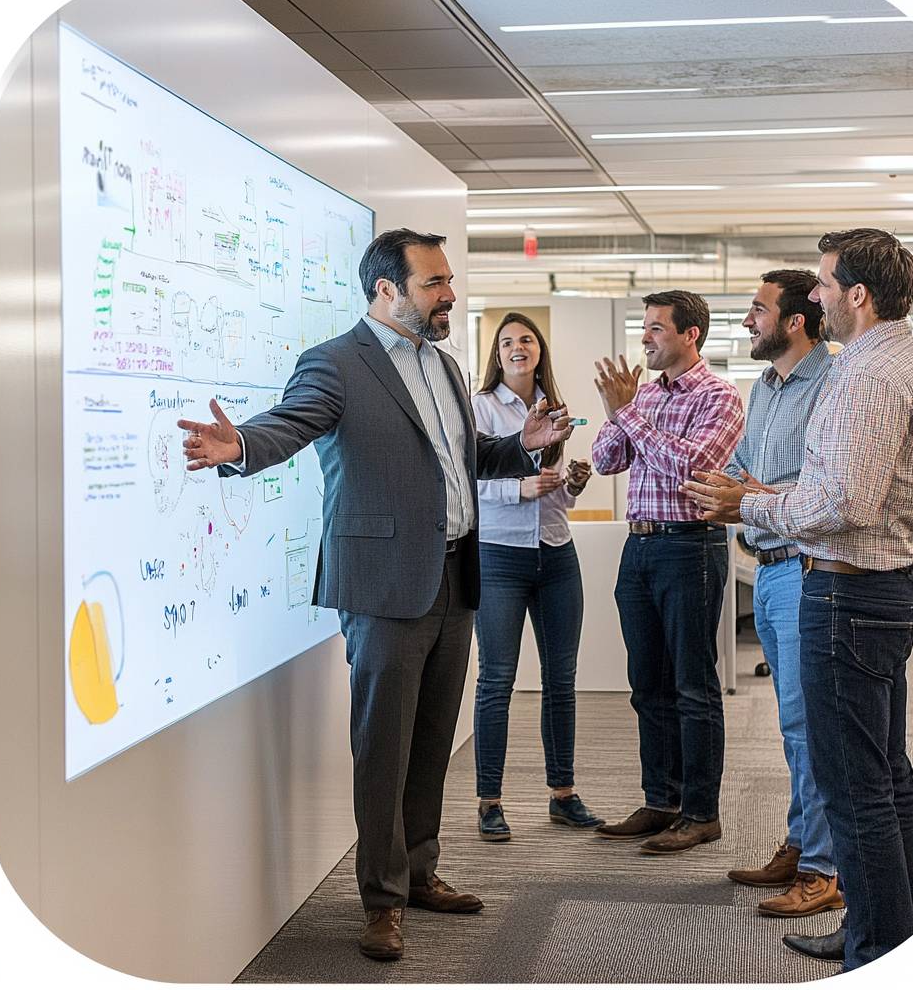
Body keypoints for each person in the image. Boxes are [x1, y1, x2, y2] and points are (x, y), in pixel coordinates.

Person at [177, 229, 574, 962]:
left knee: (431, 742)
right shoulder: (335, 362)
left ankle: (421, 872)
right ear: (386, 290)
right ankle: (381, 901)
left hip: (456, 577)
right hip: (384, 585)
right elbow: (291, 424)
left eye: (448, 281)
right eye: (433, 284)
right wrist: (240, 449)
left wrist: (523, 444)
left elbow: (465, 456)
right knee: (382, 749)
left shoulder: (448, 367)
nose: (448, 294)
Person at [683, 229, 913, 971]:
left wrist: (751, 507)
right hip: (884, 589)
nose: (818, 297)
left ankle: (875, 949)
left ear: (857, 294)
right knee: (885, 779)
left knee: (857, 786)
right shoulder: (901, 358)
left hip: (848, 596)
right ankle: (888, 929)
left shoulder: (862, 376)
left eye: (826, 285)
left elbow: (846, 502)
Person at [590, 290, 744, 855]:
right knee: (647, 685)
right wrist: (623, 411)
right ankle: (662, 801)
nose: (646, 338)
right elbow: (607, 459)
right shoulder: (646, 395)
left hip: (690, 547)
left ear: (690, 334)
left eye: (657, 328)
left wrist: (628, 413)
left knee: (692, 685)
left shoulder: (720, 396)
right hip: (640, 549)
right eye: (645, 328)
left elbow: (693, 468)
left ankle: (701, 812)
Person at [712, 270, 842, 919]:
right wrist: (719, 487)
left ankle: (823, 867)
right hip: (766, 568)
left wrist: (751, 497)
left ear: (795, 320)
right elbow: (746, 467)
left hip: (806, 567)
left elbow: (822, 490)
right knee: (792, 726)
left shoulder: (834, 385)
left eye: (756, 310)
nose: (746, 322)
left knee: (809, 722)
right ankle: (803, 840)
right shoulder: (764, 387)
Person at [471, 312, 601, 842]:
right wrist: (515, 490)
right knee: (496, 680)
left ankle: (562, 795)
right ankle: (489, 802)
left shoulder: (557, 409)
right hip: (498, 556)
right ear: (497, 355)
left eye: (526, 339)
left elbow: (556, 497)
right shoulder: (478, 407)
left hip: (555, 555)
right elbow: (464, 482)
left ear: (539, 350)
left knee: (561, 681)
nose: (517, 347)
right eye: (507, 342)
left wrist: (572, 483)